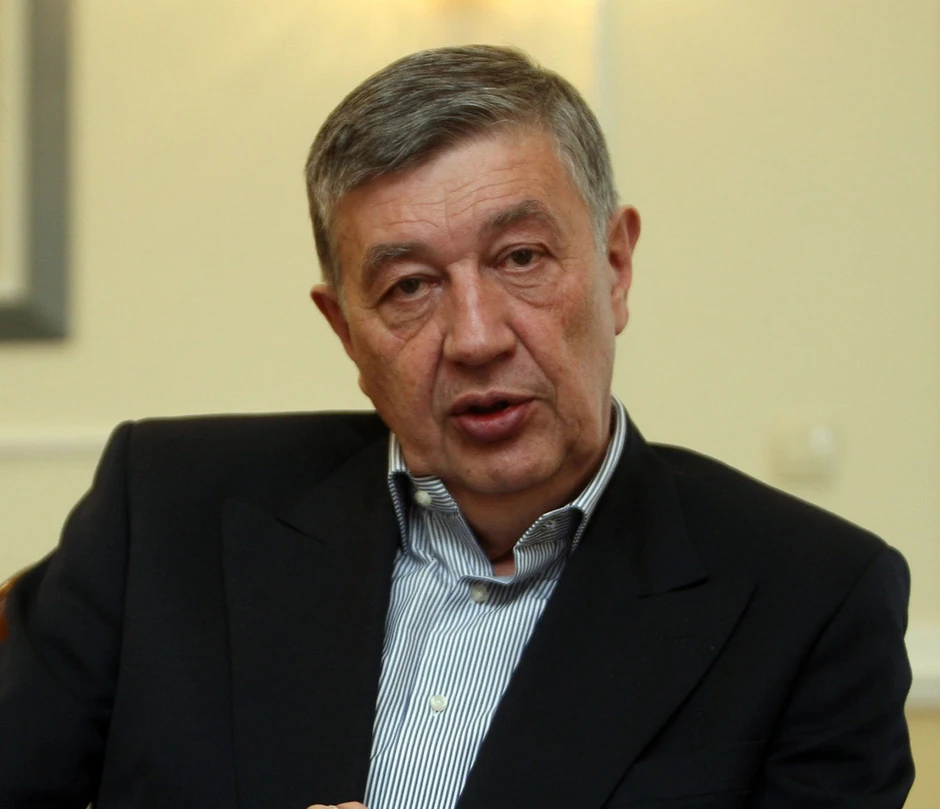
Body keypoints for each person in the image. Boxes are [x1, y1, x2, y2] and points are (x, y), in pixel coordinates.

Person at [0, 45, 913, 809]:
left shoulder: (812, 598)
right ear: (344, 330)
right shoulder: (164, 509)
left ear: (616, 266)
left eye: (521, 258)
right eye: (410, 286)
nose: (476, 337)